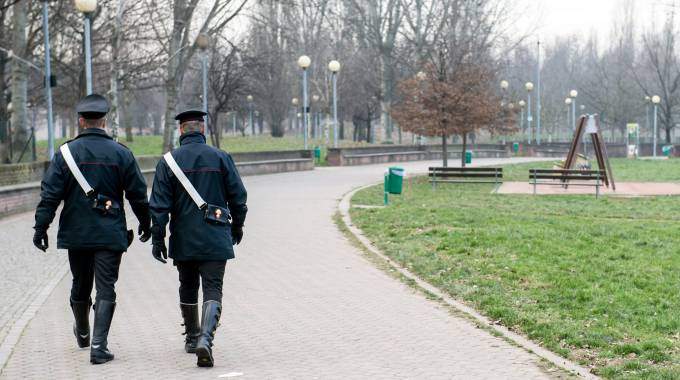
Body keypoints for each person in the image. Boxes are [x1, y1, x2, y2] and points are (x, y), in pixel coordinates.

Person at [33, 94, 151, 365]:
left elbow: (50, 195)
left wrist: (41, 228)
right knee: (106, 287)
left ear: (81, 121)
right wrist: (147, 224)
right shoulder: (122, 153)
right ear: (104, 121)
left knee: (80, 282)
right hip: (110, 233)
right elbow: (137, 195)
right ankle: (99, 346)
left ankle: (83, 331)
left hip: (77, 233)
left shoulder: (64, 154)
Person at [149, 110, 247, 368]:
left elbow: (158, 206)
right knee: (213, 287)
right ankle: (206, 338)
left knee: (188, 285)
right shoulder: (221, 157)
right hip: (216, 236)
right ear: (202, 129)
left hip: (184, 239)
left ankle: (193, 338)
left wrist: (158, 239)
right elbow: (239, 197)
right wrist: (237, 227)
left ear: (181, 131)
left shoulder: (168, 161)